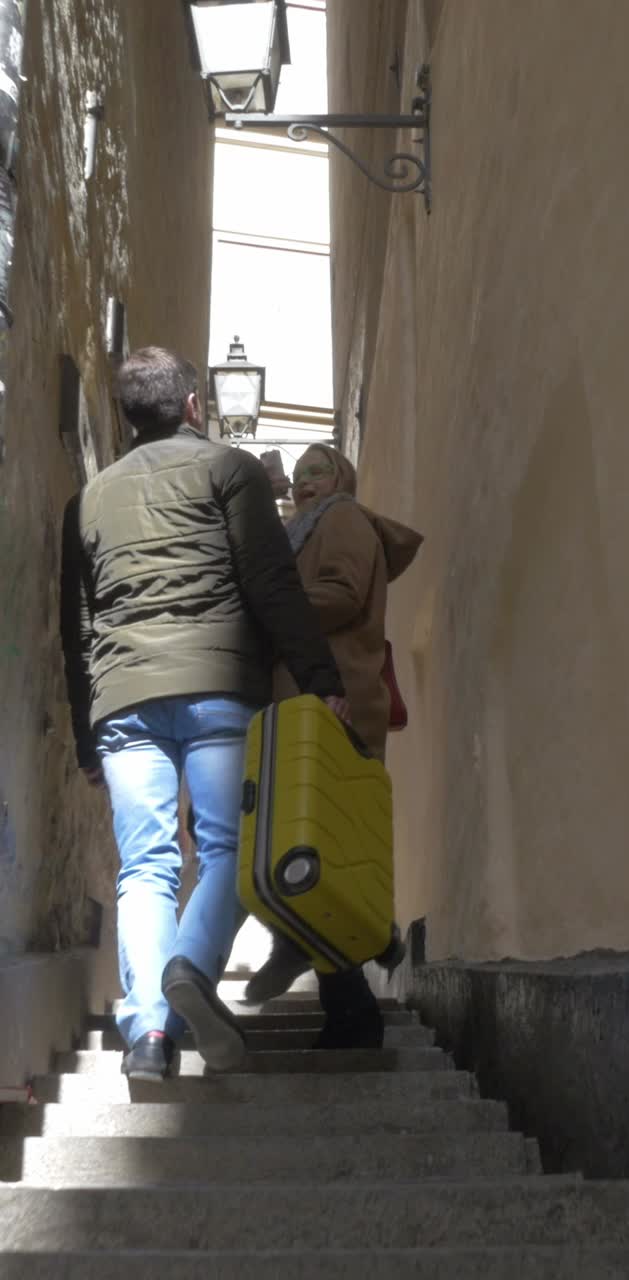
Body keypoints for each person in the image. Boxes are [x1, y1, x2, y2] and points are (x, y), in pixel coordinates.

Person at [60, 348, 349, 1082]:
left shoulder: (88, 500)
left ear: (128, 418)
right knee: (225, 849)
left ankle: (150, 1036)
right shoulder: (231, 470)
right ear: (193, 405)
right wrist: (319, 678)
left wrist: (84, 736)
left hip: (123, 700)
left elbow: (78, 625)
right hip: (221, 686)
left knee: (146, 865)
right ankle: (189, 970)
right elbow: (270, 581)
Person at [245, 444, 423, 1049]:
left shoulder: (343, 518)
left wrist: (270, 610)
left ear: (341, 476)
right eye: (295, 480)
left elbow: (343, 593)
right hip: (310, 705)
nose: (302, 486)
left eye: (314, 473)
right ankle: (352, 1001)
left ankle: (341, 955)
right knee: (315, 847)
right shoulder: (302, 532)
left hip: (336, 700)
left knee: (315, 846)